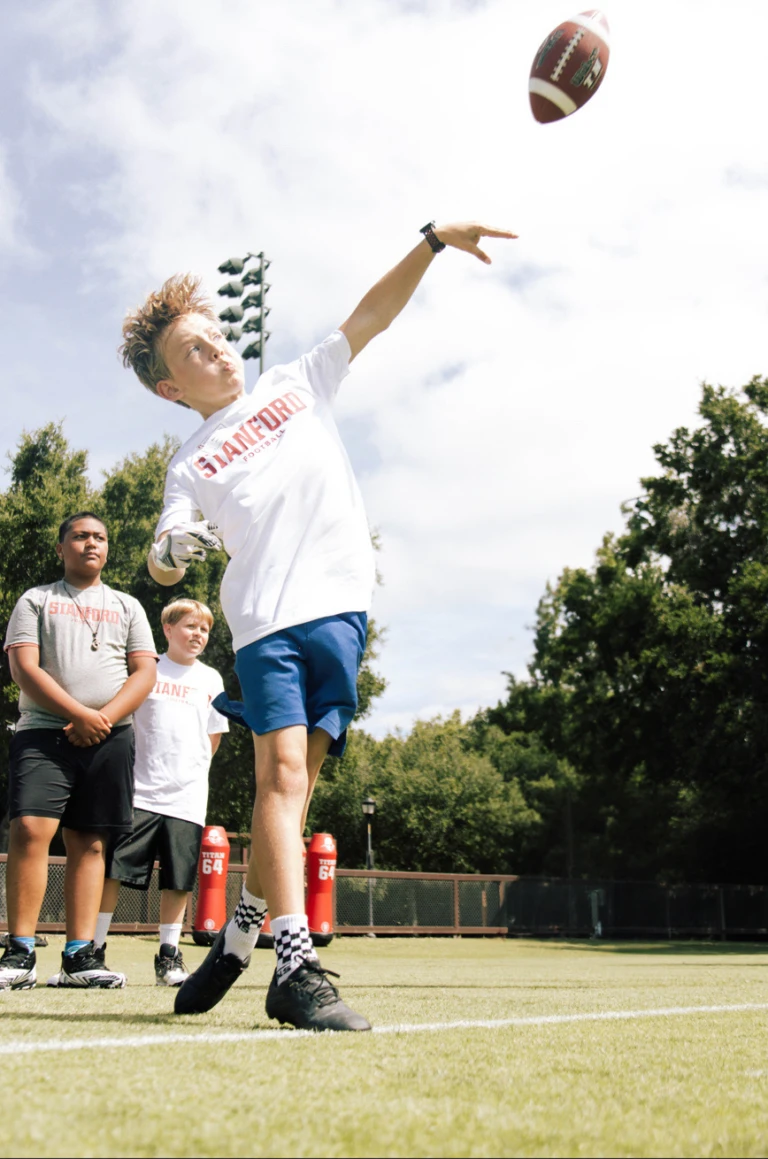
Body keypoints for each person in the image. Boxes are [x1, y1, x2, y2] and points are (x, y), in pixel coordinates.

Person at [120, 220, 516, 1030]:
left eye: (217, 337)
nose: (218, 351)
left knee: (295, 803)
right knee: (281, 780)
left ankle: (238, 937)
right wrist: (171, 549)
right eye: (193, 351)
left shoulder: (295, 383)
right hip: (267, 622)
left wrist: (433, 241)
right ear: (170, 387)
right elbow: (163, 556)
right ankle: (293, 967)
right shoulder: (190, 461)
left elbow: (371, 314)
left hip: (343, 614)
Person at [1, 513, 157, 989]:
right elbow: (24, 668)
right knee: (30, 829)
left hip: (110, 737)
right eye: (80, 535)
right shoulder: (36, 600)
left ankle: (79, 957)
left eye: (100, 537)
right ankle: (20, 953)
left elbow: (145, 674)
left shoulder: (128, 606)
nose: (91, 543)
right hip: (44, 733)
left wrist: (102, 719)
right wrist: (79, 714)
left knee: (90, 842)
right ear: (61, 547)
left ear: (108, 549)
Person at [90, 598, 228, 986]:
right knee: (113, 872)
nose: (197, 634)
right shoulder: (146, 670)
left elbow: (212, 739)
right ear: (167, 629)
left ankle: (168, 957)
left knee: (178, 880)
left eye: (203, 629)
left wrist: (186, 773)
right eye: (189, 626)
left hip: (187, 799)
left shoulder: (212, 679)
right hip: (139, 794)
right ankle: (93, 949)